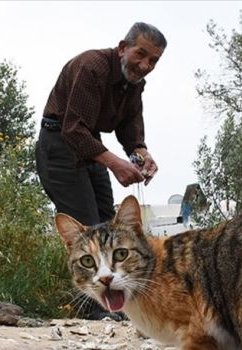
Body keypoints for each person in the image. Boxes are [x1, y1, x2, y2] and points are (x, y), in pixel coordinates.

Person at [36, 22, 166, 320]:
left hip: (91, 146)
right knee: (86, 225)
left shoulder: (134, 84)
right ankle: (96, 311)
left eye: (153, 61)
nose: (145, 65)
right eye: (141, 54)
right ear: (123, 48)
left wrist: (140, 154)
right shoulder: (91, 67)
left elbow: (130, 127)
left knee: (108, 225)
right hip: (60, 143)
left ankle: (117, 303)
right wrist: (116, 164)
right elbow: (73, 129)